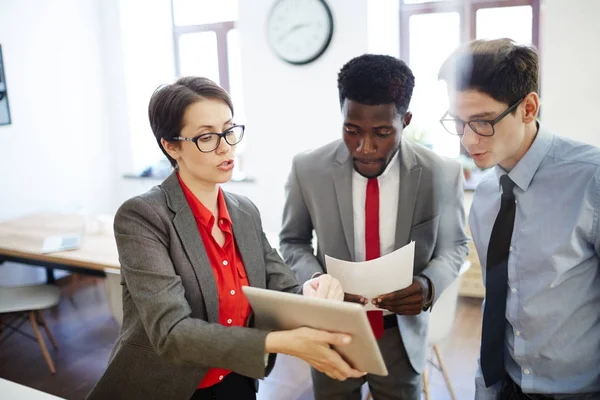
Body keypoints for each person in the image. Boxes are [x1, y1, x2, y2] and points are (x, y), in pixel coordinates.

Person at [87, 77, 365, 400]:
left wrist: (311, 289)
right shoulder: (143, 217)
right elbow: (172, 333)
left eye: (229, 130)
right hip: (164, 387)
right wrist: (279, 343)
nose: (225, 147)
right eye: (207, 137)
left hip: (236, 381)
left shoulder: (244, 212)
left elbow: (282, 287)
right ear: (171, 146)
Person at [279, 54, 469, 400]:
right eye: (352, 131)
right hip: (332, 329)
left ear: (405, 120)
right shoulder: (308, 168)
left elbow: (455, 246)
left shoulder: (441, 172)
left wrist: (428, 285)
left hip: (401, 334)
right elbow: (292, 241)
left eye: (382, 133)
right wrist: (316, 282)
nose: (365, 148)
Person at [438, 38, 600, 399]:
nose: (467, 139)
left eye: (481, 122)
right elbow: (498, 302)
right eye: (458, 122)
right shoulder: (484, 196)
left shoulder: (591, 179)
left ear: (528, 108)